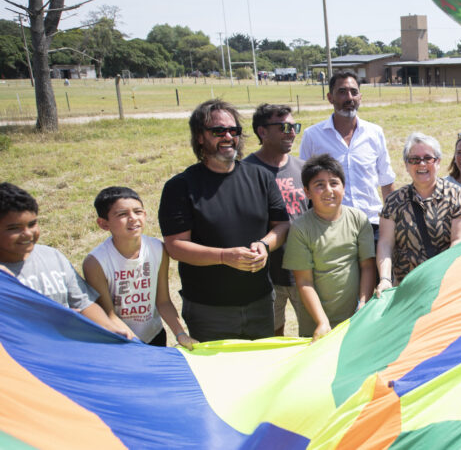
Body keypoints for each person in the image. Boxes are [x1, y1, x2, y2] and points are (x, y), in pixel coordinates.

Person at [159, 100, 290, 342]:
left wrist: (265, 244)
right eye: (218, 131)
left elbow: (281, 225)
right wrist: (224, 256)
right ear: (200, 137)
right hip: (209, 310)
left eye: (233, 130)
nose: (228, 136)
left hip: (260, 304)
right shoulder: (180, 187)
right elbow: (175, 246)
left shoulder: (260, 177)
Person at [0, 182, 132, 338]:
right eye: (14, 228)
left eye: (32, 224)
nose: (27, 233)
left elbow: (84, 303)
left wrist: (108, 328)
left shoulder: (52, 256)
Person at [83, 187, 197, 349]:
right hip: (120, 341)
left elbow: (163, 301)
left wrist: (180, 334)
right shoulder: (95, 262)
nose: (133, 218)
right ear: (103, 223)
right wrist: (139, 346)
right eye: (122, 214)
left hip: (154, 335)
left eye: (138, 212)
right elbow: (109, 315)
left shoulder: (158, 249)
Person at [282, 155, 376, 341]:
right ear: (307, 192)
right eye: (319, 185)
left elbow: (367, 266)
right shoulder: (300, 228)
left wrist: (363, 304)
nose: (328, 190)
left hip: (355, 320)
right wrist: (322, 322)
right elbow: (304, 281)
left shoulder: (359, 219)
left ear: (344, 187)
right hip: (316, 325)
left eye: (334, 183)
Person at [299, 71, 395, 242]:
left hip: (371, 223)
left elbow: (386, 182)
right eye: (342, 92)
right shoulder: (313, 136)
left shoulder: (374, 133)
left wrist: (392, 221)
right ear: (330, 97)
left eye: (354, 92)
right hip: (329, 226)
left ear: (360, 97)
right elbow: (303, 185)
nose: (349, 97)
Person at [376, 133, 461, 292]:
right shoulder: (394, 201)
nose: (421, 164)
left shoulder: (455, 195)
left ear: (438, 162)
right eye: (414, 159)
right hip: (407, 289)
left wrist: (439, 278)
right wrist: (385, 279)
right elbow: (385, 243)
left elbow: (459, 241)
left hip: (445, 286)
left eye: (428, 158)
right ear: (406, 165)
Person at [243, 104, 308, 336]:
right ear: (262, 131)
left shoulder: (303, 169)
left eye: (294, 127)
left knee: (312, 334)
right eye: (284, 127)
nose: (291, 133)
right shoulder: (245, 171)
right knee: (271, 336)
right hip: (266, 273)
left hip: (302, 270)